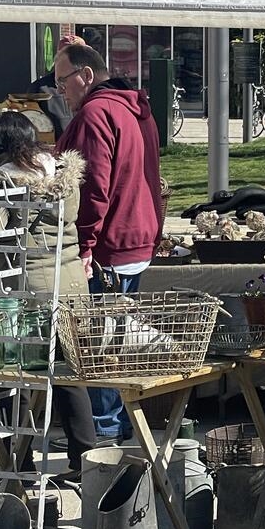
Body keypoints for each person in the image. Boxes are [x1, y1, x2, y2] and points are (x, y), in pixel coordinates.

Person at [53, 40, 163, 442]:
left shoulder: (95, 114)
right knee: (115, 341)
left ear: (85, 76)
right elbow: (153, 176)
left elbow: (92, 188)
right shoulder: (135, 107)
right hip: (136, 239)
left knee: (98, 347)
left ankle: (104, 438)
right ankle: (113, 428)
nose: (60, 91)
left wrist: (83, 247)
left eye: (61, 81)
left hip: (109, 247)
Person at [0, 111, 96, 479]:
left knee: (14, 375)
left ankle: (19, 463)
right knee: (69, 376)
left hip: (30, 289)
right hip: (73, 282)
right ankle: (85, 459)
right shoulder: (63, 172)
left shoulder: (3, 177)